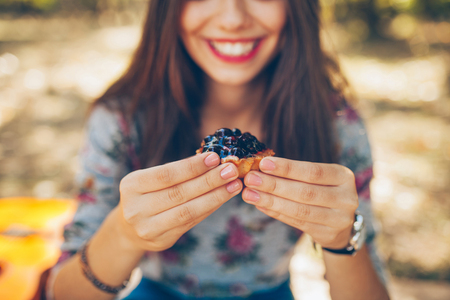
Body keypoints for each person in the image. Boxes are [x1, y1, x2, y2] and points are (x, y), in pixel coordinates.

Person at [46, 0, 390, 299]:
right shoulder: (121, 120)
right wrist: (122, 234)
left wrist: (342, 238)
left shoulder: (335, 126)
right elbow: (62, 293)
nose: (232, 19)